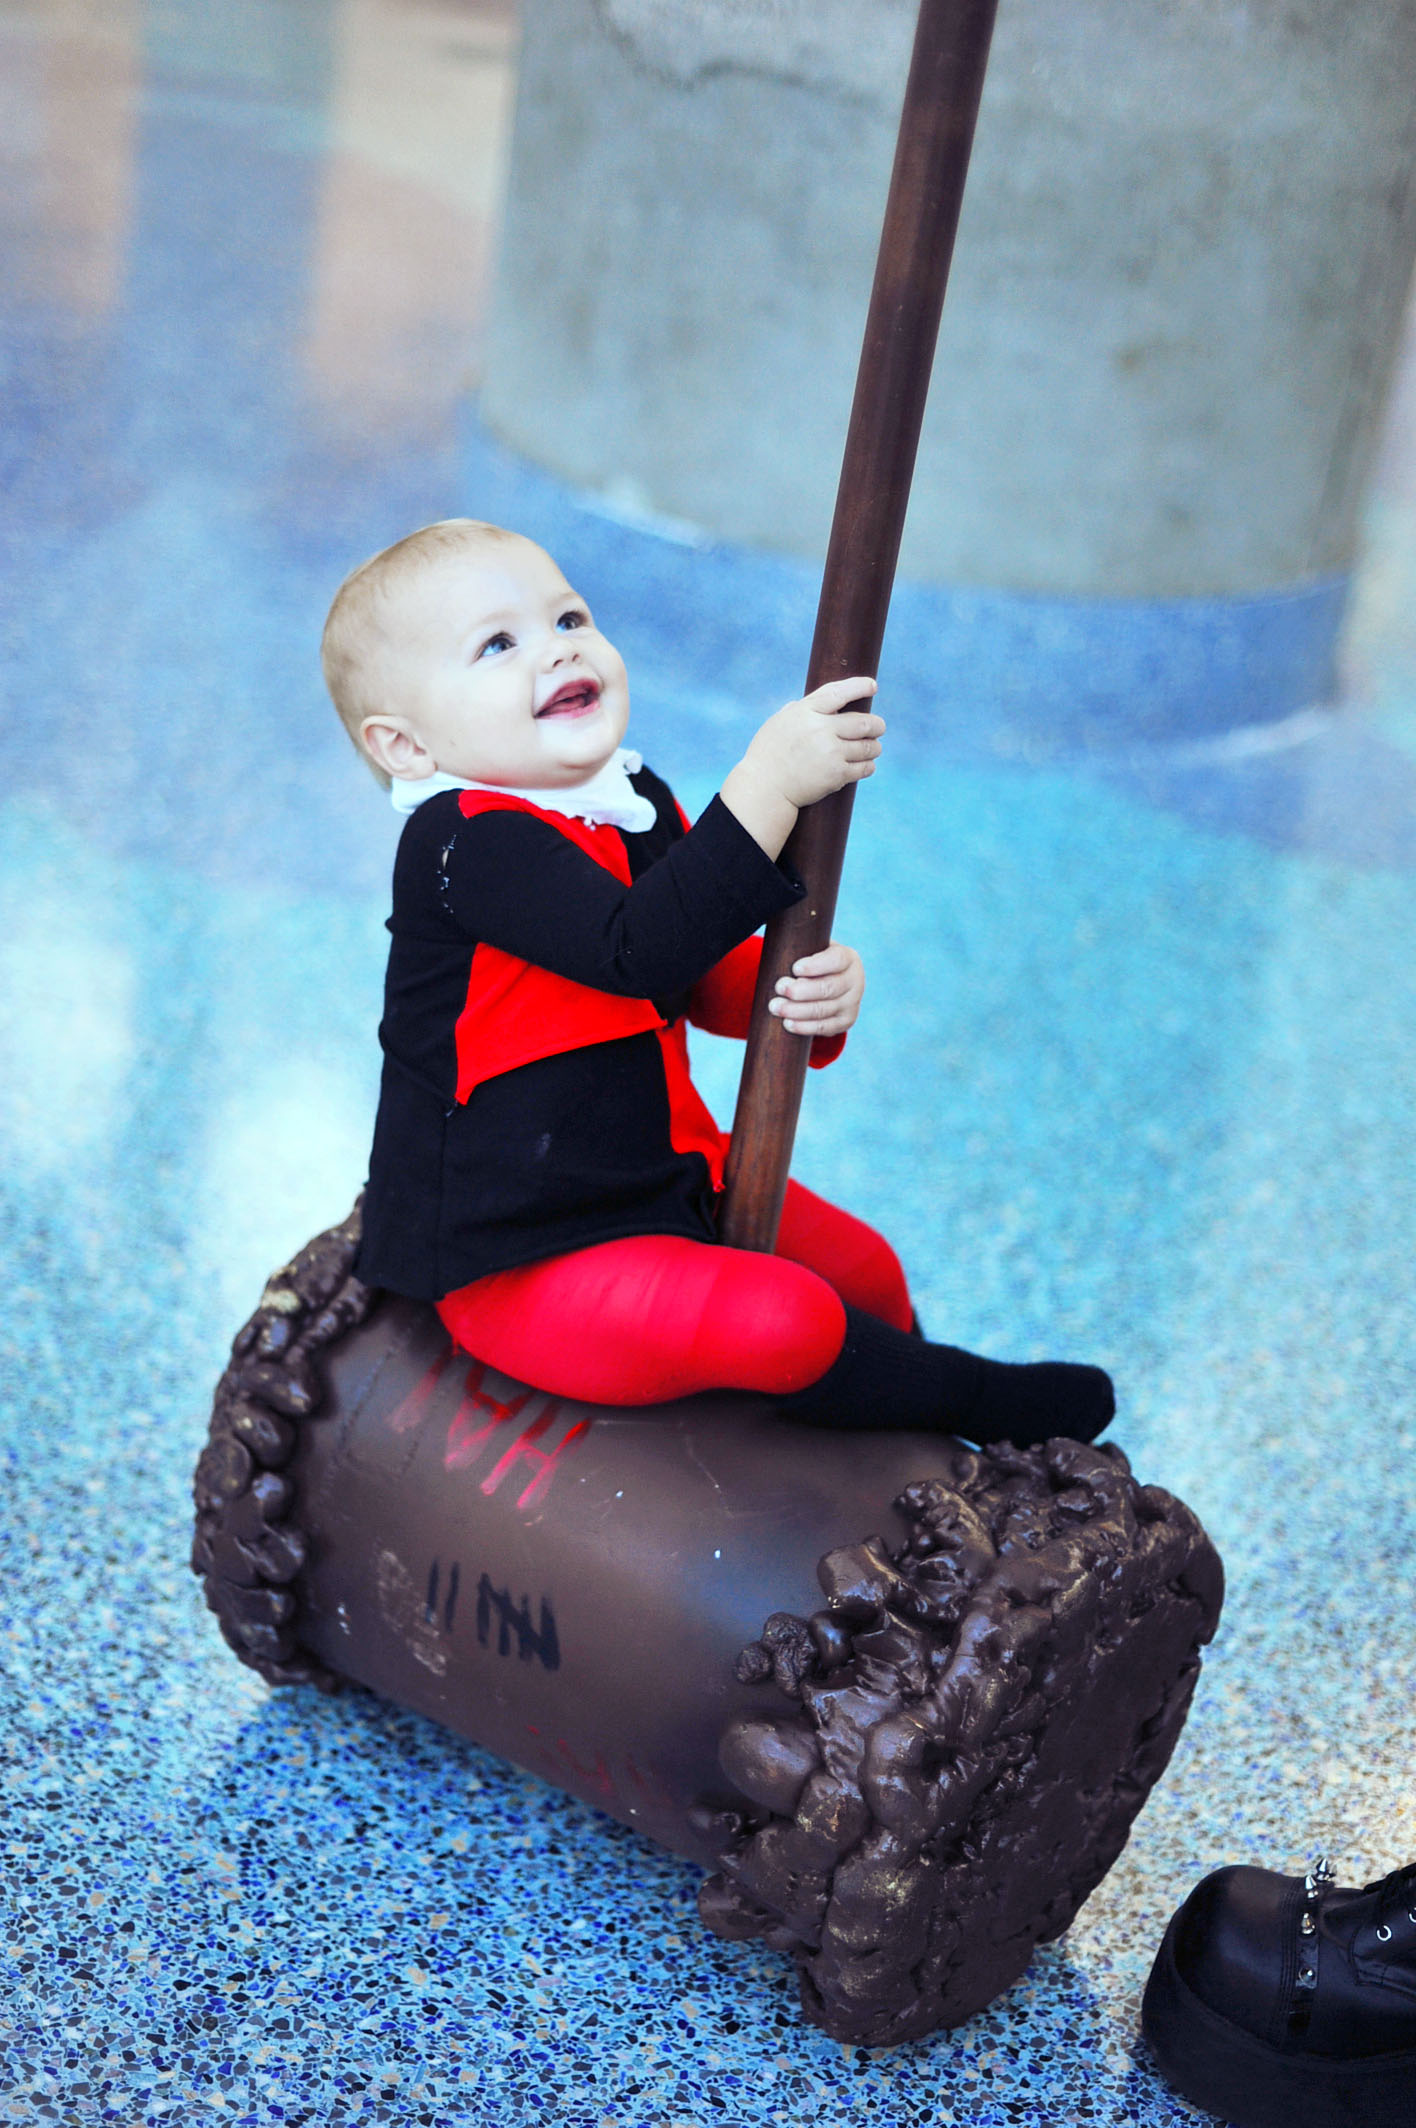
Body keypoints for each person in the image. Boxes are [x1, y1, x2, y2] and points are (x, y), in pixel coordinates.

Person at [322, 517, 1114, 1444]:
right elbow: (639, 950)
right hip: (524, 1255)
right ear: (406, 747)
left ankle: (915, 1425)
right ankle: (974, 1403)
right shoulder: (461, 842)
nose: (558, 649)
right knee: (788, 1321)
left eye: (569, 618)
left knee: (863, 1266)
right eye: (497, 645)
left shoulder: (632, 800)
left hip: (669, 1179)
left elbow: (699, 973)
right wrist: (766, 787)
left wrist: (809, 995)